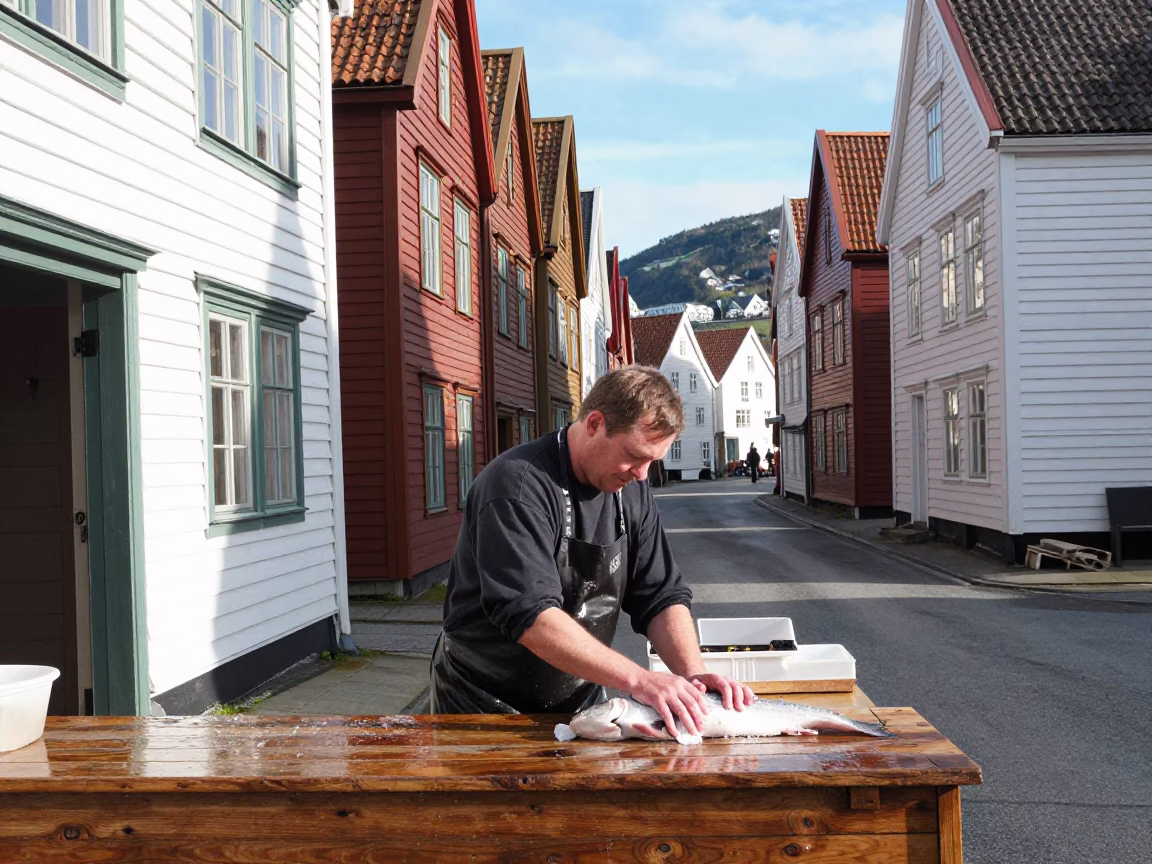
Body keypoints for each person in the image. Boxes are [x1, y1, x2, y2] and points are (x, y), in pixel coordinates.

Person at [431, 367, 756, 737]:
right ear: (595, 424)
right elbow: (530, 616)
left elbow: (660, 595)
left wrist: (693, 677)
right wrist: (640, 680)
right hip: (481, 706)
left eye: (653, 461)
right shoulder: (516, 486)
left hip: (580, 701)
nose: (642, 475)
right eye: (635, 456)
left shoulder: (630, 489)